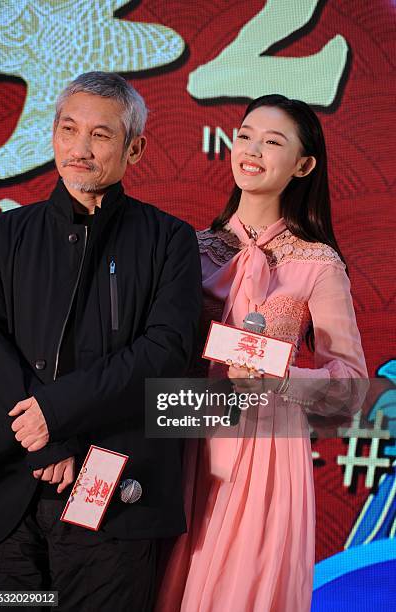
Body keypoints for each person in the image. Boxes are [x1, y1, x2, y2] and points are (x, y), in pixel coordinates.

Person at [0, 71, 202, 611]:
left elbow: (165, 351)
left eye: (101, 135)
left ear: (136, 148)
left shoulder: (167, 239)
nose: (79, 149)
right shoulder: (2, 235)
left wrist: (56, 414)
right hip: (10, 490)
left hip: (112, 490)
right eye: (68, 129)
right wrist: (48, 439)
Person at [156, 95, 368, 612]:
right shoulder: (187, 248)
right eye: (246, 135)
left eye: (273, 142)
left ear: (304, 165)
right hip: (183, 431)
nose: (251, 150)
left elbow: (352, 383)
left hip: (265, 448)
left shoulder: (317, 264)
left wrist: (279, 377)